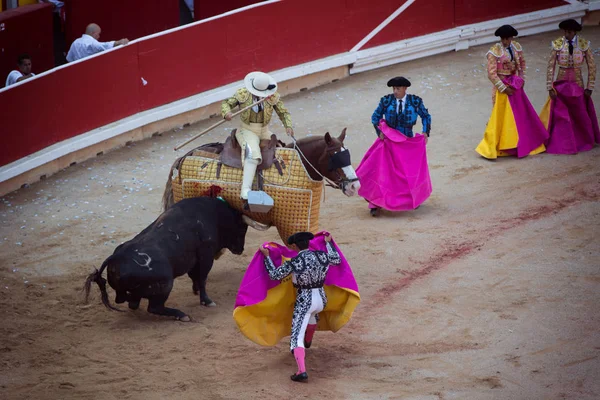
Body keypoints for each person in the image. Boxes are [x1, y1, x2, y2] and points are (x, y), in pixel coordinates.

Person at [259, 232, 340, 382]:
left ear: (295, 246)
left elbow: (274, 275)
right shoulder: (321, 256)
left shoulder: (295, 262)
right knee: (313, 315)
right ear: (308, 243)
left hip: (305, 300)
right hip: (321, 299)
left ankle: (301, 371)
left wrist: (266, 257)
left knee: (296, 337)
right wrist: (328, 243)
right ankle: (308, 340)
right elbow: (337, 259)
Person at [221, 71, 294, 208]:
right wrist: (227, 113)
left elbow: (283, 112)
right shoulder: (243, 94)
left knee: (279, 149)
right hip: (247, 130)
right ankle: (245, 191)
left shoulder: (272, 96)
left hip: (264, 130)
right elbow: (226, 103)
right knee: (253, 155)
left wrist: (288, 125)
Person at [361, 76, 432, 216]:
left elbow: (426, 116)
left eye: (398, 89)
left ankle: (411, 199)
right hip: (389, 141)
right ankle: (375, 203)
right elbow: (375, 117)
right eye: (393, 89)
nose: (395, 91)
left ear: (405, 89)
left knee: (407, 172)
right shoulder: (386, 101)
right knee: (382, 171)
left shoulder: (415, 101)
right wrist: (379, 131)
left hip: (407, 142)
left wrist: (425, 132)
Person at [476, 25, 548, 159]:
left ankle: (519, 143)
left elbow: (522, 65)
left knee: (519, 116)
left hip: (515, 86)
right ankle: (498, 145)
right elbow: (491, 74)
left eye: (507, 38)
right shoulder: (494, 52)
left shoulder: (516, 48)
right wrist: (503, 88)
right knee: (501, 117)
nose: (505, 41)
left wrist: (521, 80)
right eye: (503, 38)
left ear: (511, 38)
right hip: (502, 88)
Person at [540, 18, 599, 154]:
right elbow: (551, 67)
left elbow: (592, 66)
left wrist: (590, 87)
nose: (567, 34)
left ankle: (583, 139)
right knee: (562, 112)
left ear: (575, 32)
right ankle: (564, 140)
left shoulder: (584, 44)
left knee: (579, 112)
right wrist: (550, 87)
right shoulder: (557, 44)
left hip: (577, 81)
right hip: (562, 79)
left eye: (570, 32)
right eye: (565, 31)